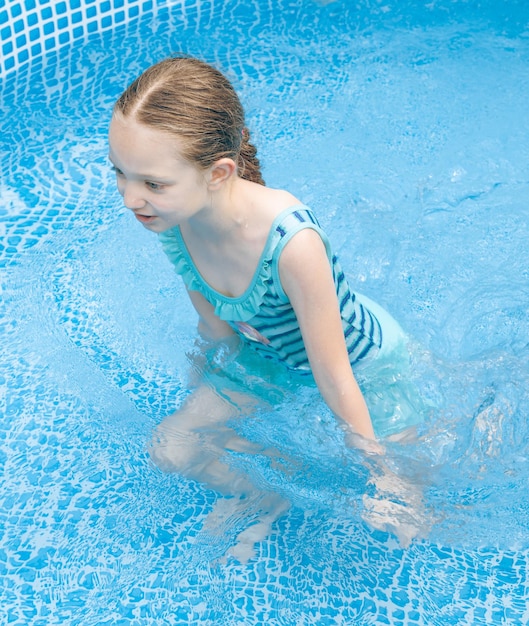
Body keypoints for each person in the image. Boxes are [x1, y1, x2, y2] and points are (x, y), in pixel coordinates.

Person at [108, 56, 425, 557]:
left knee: (404, 506)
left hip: (361, 365)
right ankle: (267, 492)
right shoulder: (175, 221)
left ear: (218, 173)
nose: (130, 197)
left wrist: (382, 475)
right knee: (171, 448)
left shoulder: (291, 242)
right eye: (120, 174)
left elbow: (335, 373)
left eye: (151, 183)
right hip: (271, 355)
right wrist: (202, 406)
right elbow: (217, 333)